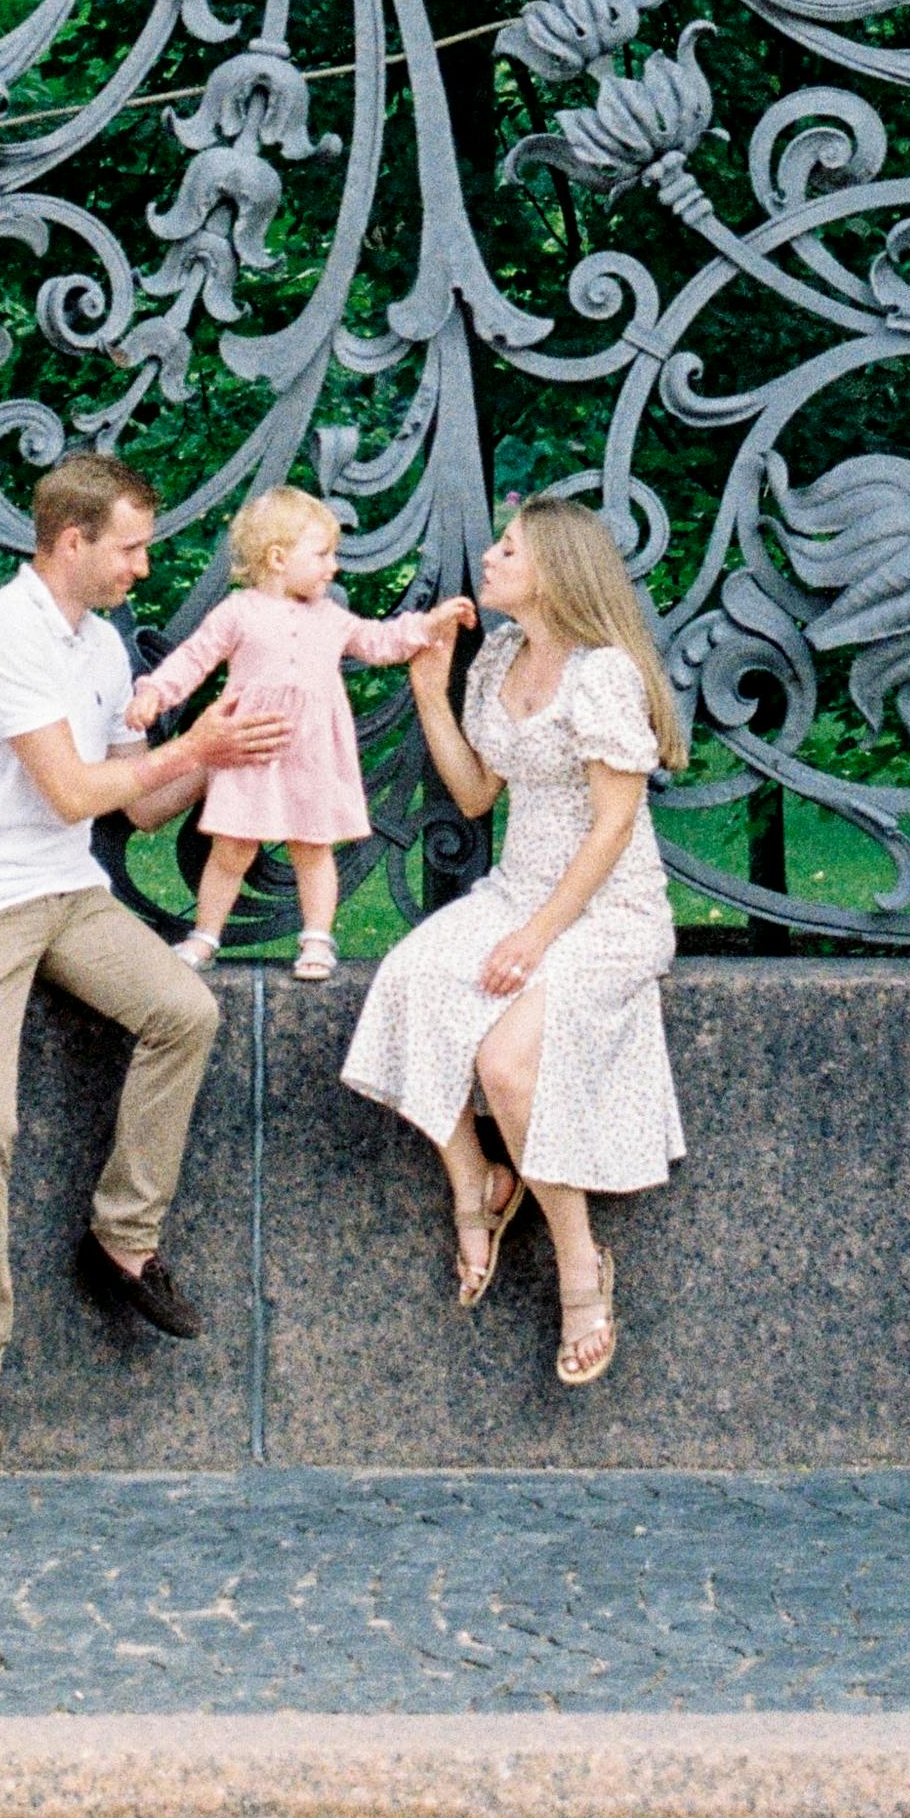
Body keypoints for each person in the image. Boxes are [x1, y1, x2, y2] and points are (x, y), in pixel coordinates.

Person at [0, 450, 291, 1486]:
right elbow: (77, 788)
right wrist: (186, 745)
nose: (142, 565)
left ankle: (121, 1237)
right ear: (70, 541)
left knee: (184, 1010)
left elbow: (133, 803)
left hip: (65, 891)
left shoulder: (104, 644)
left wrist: (224, 748)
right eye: (128, 546)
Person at [339, 495, 688, 1392]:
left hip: (605, 911)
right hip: (516, 891)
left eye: (506, 549)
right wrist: (428, 689)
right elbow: (474, 796)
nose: (488, 560)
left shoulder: (602, 675)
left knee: (504, 1063)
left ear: (555, 572)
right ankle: (477, 1185)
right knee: (409, 977)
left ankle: (581, 1269)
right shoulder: (501, 653)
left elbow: (613, 824)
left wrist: (538, 937)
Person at [124, 485, 472, 981]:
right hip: (252, 748)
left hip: (312, 754)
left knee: (313, 848)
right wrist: (155, 691)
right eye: (323, 554)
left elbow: (379, 642)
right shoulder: (238, 612)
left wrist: (430, 624)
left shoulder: (329, 617)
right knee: (232, 849)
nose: (334, 567)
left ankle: (317, 937)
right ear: (278, 557)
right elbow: (194, 657)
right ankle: (205, 935)